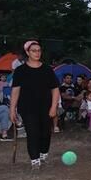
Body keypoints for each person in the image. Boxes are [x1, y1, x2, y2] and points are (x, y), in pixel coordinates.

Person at [10, 41, 60, 170]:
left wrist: (54, 107)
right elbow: (15, 91)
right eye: (34, 50)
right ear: (27, 52)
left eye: (39, 50)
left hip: (45, 107)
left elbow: (55, 89)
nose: (37, 53)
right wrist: (12, 110)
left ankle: (43, 155)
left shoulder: (47, 69)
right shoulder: (20, 71)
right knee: (33, 133)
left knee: (45, 133)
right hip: (27, 108)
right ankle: (34, 160)